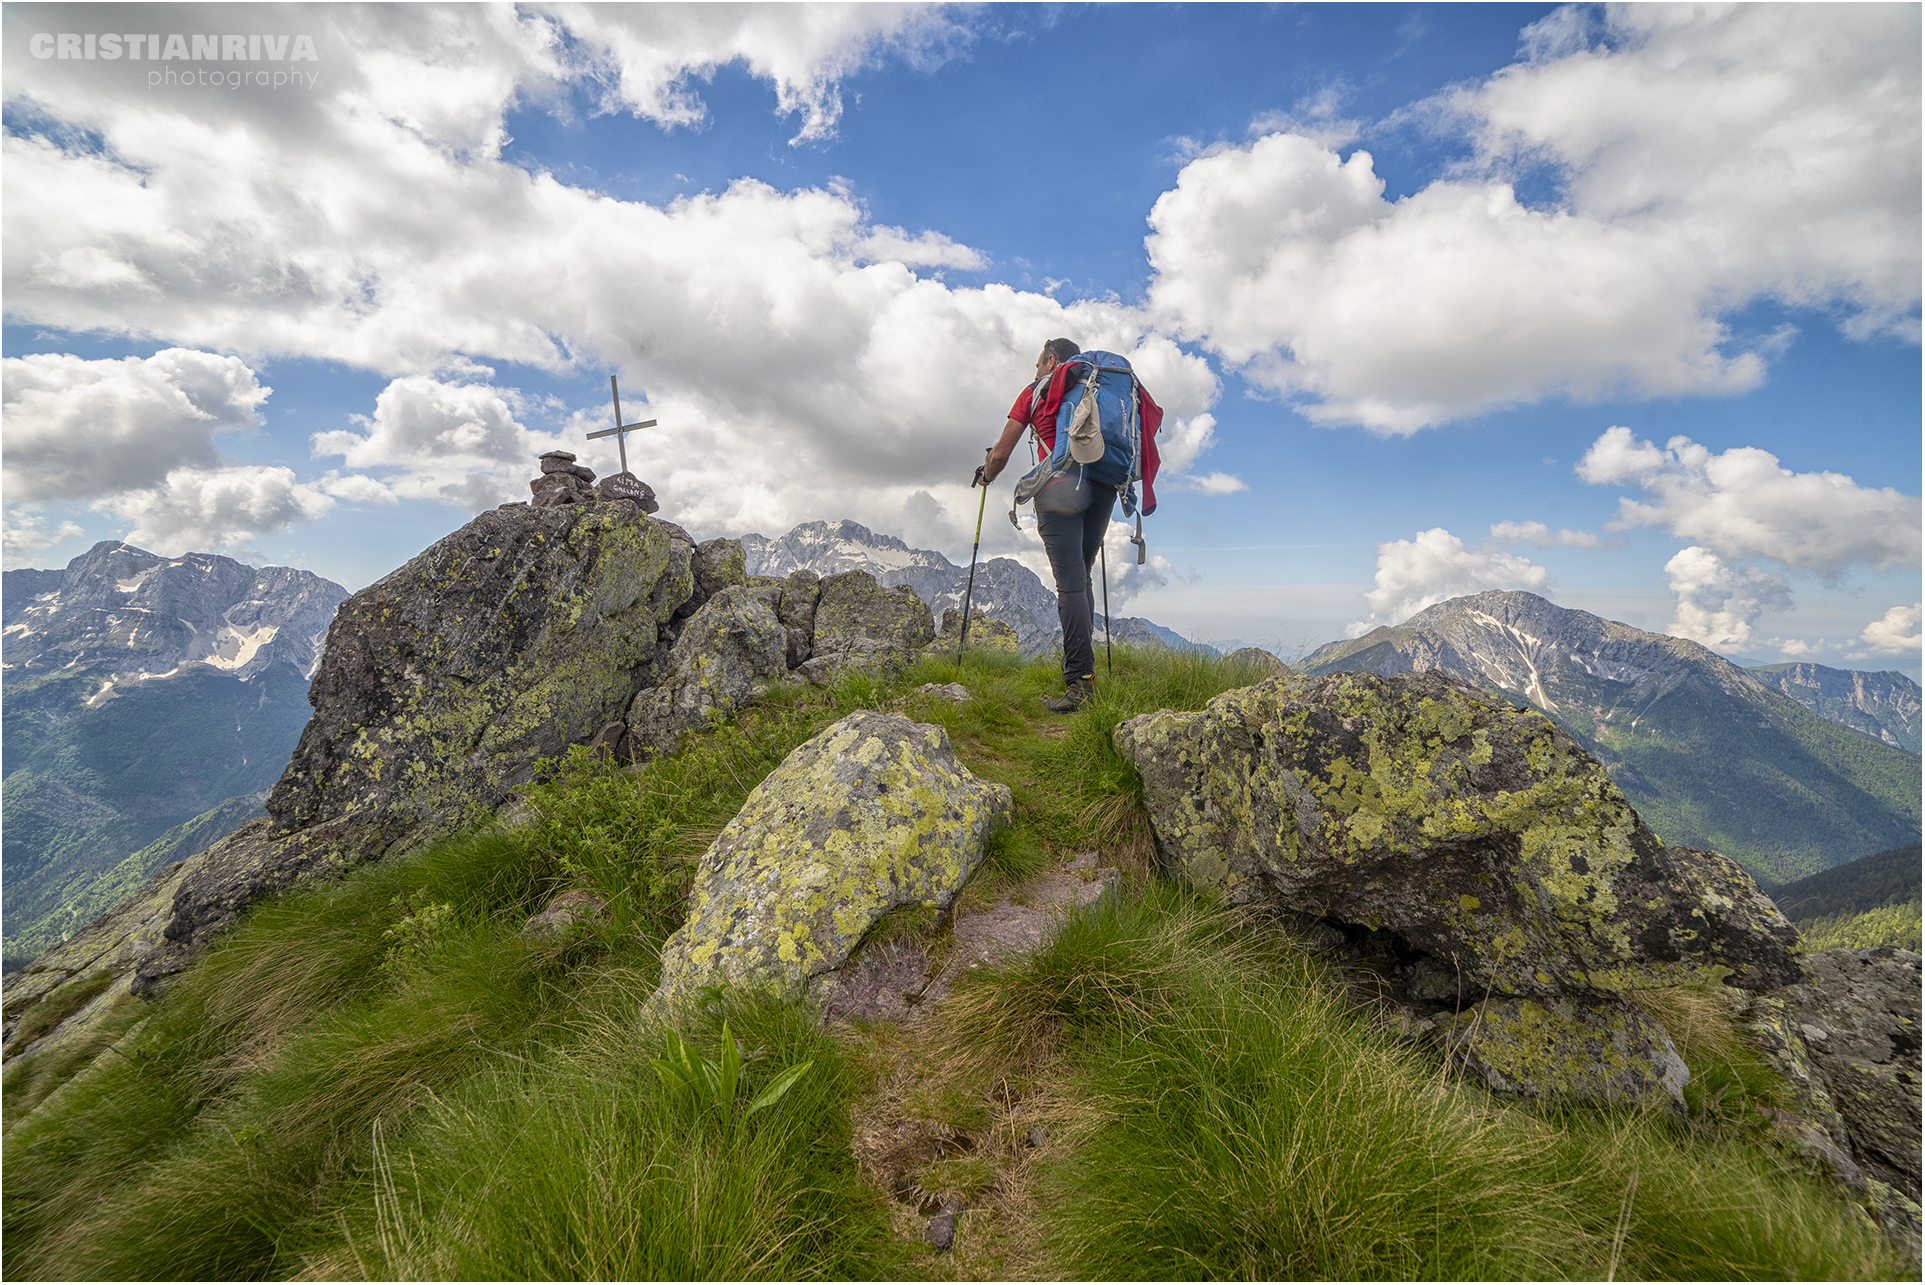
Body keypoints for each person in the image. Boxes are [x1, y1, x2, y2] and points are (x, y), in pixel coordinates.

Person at [975, 337, 1112, 711]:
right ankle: (1085, 674)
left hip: (1060, 487)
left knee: (1069, 584)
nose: (1035, 370)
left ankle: (1079, 686)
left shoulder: (1036, 391)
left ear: (1050, 360)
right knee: (1081, 576)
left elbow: (1001, 453)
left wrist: (986, 474)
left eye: (1038, 363)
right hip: (1103, 487)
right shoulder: (1099, 389)